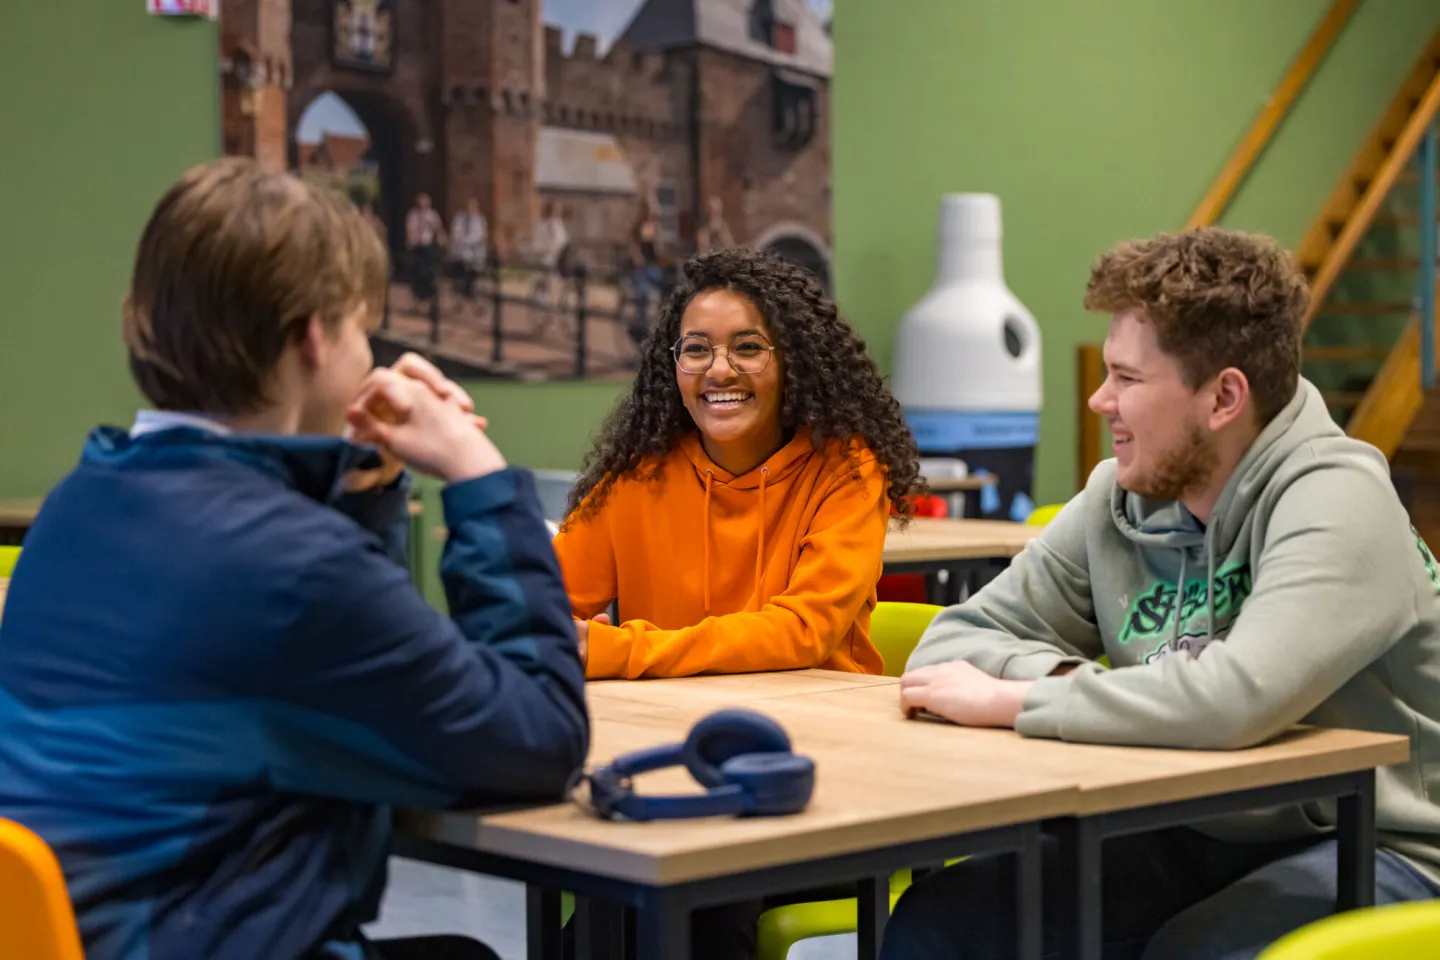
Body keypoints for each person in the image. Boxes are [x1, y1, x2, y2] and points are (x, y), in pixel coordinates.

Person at [0, 158, 589, 960]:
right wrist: (480, 476)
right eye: (357, 324)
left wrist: (361, 486)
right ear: (313, 336)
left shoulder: (81, 502)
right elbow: (540, 738)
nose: (367, 348)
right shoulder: (293, 570)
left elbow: (326, 670)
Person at [886, 227, 1440, 960]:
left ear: (1224, 398)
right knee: (951, 922)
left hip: (1389, 839)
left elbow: (1235, 697)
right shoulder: (1121, 497)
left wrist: (1013, 699)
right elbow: (949, 646)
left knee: (1194, 952)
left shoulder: (1338, 497)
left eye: (1128, 379)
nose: (1098, 399)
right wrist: (1058, 680)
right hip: (1202, 820)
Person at [449, 196, 487, 299]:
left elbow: (482, 235)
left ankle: (471, 293)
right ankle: (460, 293)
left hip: (475, 252)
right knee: (461, 274)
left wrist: (472, 241)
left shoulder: (479, 219)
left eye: (473, 207)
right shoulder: (460, 218)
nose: (471, 209)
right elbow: (456, 233)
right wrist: (462, 241)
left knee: (473, 274)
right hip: (461, 252)